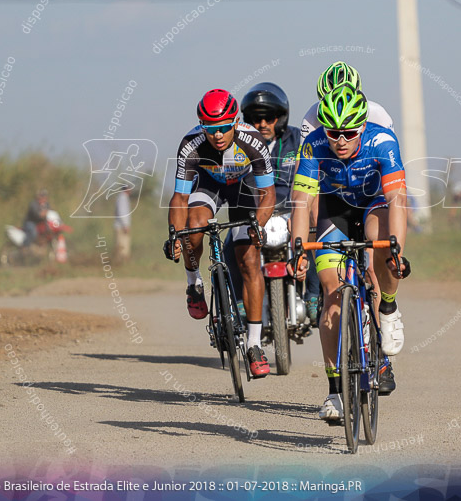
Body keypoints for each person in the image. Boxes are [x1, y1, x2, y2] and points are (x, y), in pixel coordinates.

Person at [289, 83, 410, 421]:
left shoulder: (382, 142)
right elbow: (301, 203)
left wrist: (396, 250)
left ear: (362, 128)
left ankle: (387, 306)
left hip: (374, 204)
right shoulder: (314, 146)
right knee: (331, 294)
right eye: (333, 133)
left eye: (348, 133)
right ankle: (335, 392)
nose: (340, 140)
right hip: (335, 208)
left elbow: (398, 200)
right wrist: (298, 249)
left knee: (382, 252)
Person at [164, 89, 276, 378]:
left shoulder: (253, 140)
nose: (218, 135)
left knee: (249, 261)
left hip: (243, 187)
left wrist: (258, 227)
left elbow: (268, 195)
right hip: (209, 185)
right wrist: (176, 235)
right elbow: (179, 199)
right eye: (210, 129)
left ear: (236, 122)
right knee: (195, 228)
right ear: (202, 127)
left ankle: (254, 344)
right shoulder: (191, 144)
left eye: (225, 127)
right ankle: (194, 283)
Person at [223, 82, 322, 324]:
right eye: (257, 119)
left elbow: (313, 172)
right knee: (228, 247)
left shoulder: (299, 139)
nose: (263, 125)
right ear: (247, 120)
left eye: (270, 118)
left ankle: (313, 295)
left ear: (282, 118)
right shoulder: (239, 144)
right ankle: (238, 303)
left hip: (291, 212)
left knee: (315, 239)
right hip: (254, 215)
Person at [114, 186, 132, 262]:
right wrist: (125, 225)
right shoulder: (122, 198)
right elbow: (122, 212)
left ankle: (120, 261)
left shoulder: (123, 197)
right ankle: (120, 261)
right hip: (121, 226)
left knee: (122, 244)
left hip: (121, 225)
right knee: (122, 245)